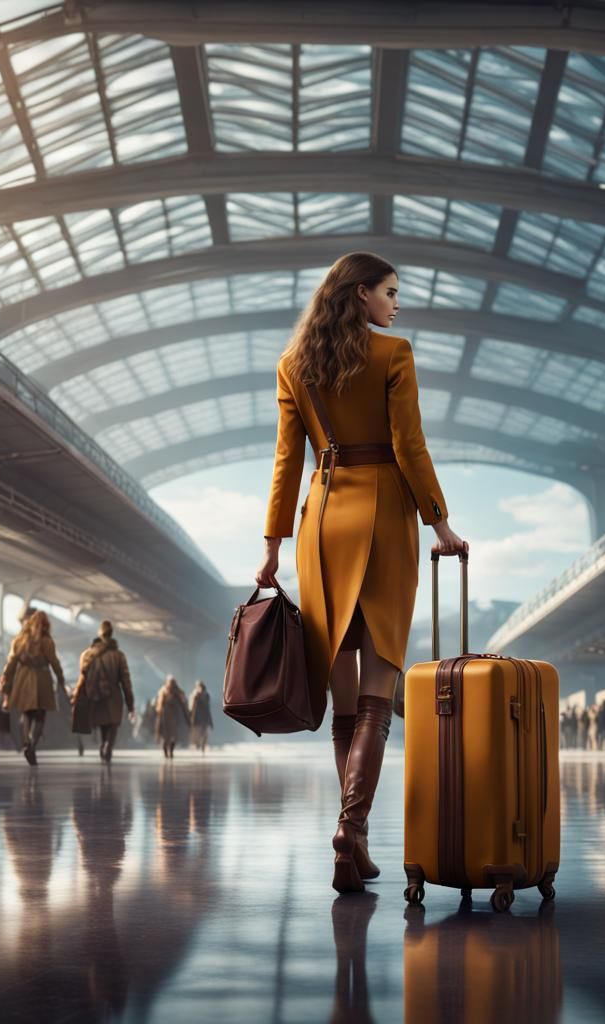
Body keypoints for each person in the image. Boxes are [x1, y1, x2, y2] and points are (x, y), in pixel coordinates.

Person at [256, 251, 467, 894]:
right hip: (383, 519)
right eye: (390, 292)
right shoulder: (393, 355)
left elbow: (287, 461)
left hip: (321, 521)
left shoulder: (294, 366)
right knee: (379, 687)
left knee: (343, 687)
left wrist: (271, 546)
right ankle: (352, 829)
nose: (397, 304)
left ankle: (356, 839)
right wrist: (440, 523)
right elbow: (408, 447)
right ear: (360, 296)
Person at [0, 609, 67, 766]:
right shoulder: (47, 641)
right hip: (42, 678)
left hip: (23, 678)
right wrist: (61, 679)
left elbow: (11, 662)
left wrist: (5, 677)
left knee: (27, 713)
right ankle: (32, 744)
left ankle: (27, 741)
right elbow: (54, 662)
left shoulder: (19, 640)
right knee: (40, 715)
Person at [74, 621, 135, 764]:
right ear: (111, 633)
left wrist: (77, 696)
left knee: (102, 723)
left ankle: (103, 744)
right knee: (112, 724)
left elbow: (83, 677)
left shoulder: (88, 654)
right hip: (113, 695)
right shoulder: (119, 655)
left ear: (99, 633)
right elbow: (126, 681)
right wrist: (130, 703)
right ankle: (108, 746)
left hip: (95, 695)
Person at [155, 676, 189, 759]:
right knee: (166, 737)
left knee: (173, 736)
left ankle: (170, 751)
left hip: (174, 717)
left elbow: (183, 704)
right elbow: (160, 706)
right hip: (165, 717)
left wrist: (186, 717)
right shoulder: (163, 691)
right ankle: (166, 752)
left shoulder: (177, 692)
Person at [189, 680, 214, 753]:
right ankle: (198, 744)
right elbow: (192, 707)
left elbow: (208, 707)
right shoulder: (195, 695)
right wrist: (192, 718)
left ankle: (203, 745)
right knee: (197, 733)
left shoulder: (206, 695)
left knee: (205, 733)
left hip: (204, 716)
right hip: (197, 717)